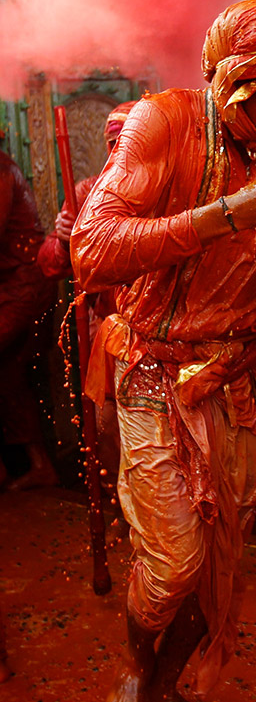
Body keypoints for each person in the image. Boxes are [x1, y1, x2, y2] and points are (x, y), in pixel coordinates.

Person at [72, 0, 256, 702]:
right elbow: (90, 251)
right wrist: (227, 212)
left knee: (219, 571)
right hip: (155, 375)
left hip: (238, 386)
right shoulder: (168, 123)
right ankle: (133, 670)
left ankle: (163, 690)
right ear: (234, 75)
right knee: (172, 565)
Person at [26, 101, 138, 496]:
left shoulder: (168, 190)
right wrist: (62, 238)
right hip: (105, 332)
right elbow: (51, 267)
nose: (121, 150)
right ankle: (125, 511)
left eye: (130, 140)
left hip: (156, 336)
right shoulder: (87, 192)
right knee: (107, 425)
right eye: (113, 143)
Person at [0, 148, 57, 490]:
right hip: (14, 287)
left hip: (24, 287)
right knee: (7, 375)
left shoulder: (2, 170)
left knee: (10, 373)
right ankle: (40, 466)